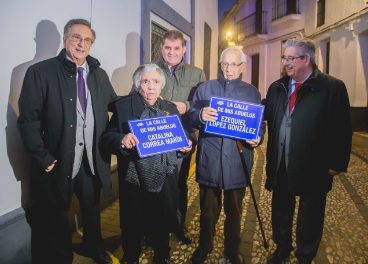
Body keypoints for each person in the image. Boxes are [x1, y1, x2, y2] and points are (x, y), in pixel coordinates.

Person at [17, 19, 117, 264]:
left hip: (89, 158)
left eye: (87, 40)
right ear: (64, 40)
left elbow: (117, 106)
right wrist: (42, 156)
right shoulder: (40, 72)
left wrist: (147, 98)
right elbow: (27, 120)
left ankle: (94, 248)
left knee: (92, 207)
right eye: (76, 38)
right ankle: (61, 258)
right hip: (57, 158)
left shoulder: (99, 74)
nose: (81, 44)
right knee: (56, 214)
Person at [264, 38, 352, 264]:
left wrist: (337, 163)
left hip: (314, 165)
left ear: (307, 59)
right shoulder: (277, 87)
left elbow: (343, 128)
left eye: (290, 58)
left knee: (310, 214)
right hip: (281, 161)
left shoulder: (332, 87)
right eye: (284, 57)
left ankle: (305, 255)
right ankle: (282, 247)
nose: (285, 63)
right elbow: (264, 115)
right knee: (281, 209)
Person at [100, 64, 193, 264]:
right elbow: (106, 138)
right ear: (137, 85)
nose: (151, 86)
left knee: (162, 220)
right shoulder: (124, 107)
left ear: (161, 86)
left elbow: (180, 137)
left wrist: (185, 147)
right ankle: (131, 256)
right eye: (145, 81)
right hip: (134, 177)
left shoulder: (169, 108)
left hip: (164, 176)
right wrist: (122, 139)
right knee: (133, 222)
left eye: (155, 82)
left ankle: (162, 256)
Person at [185, 46, 266, 264]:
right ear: (220, 65)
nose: (229, 69)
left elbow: (259, 125)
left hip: (238, 162)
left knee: (235, 212)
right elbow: (191, 117)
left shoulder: (252, 92)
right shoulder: (205, 88)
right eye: (225, 64)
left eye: (234, 64)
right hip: (210, 159)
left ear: (242, 66)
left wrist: (258, 137)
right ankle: (204, 246)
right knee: (208, 212)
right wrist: (200, 115)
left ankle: (232, 249)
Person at [131, 30, 206, 244]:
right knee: (151, 184)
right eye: (167, 47)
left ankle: (177, 226)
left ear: (184, 49)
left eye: (176, 48)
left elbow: (204, 104)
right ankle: (151, 230)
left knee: (179, 185)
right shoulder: (149, 70)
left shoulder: (197, 73)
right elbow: (133, 98)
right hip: (153, 138)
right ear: (161, 48)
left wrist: (188, 106)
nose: (172, 52)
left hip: (183, 139)